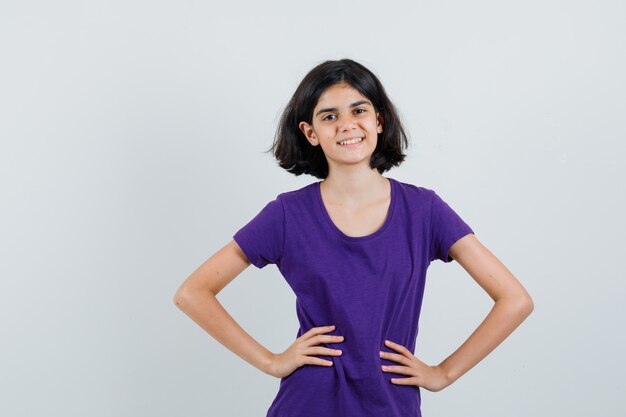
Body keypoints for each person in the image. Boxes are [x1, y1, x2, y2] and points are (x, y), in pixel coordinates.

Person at [173, 58, 534, 417]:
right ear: (310, 132)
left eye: (358, 110)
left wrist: (444, 373)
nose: (347, 125)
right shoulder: (286, 215)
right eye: (329, 116)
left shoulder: (424, 210)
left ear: (378, 119)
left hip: (392, 406)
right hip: (307, 404)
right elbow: (193, 293)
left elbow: (514, 299)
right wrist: (270, 361)